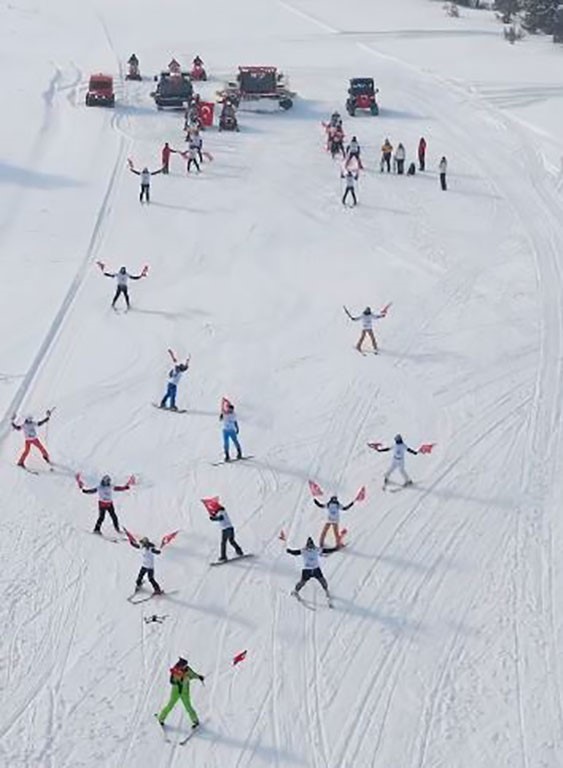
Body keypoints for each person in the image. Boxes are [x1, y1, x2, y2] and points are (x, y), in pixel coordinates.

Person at [157, 657, 204, 729]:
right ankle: (161, 719)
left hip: (185, 692)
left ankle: (195, 721)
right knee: (170, 705)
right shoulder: (175, 670)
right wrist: (177, 682)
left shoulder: (188, 670)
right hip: (175, 692)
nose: (185, 666)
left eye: (185, 665)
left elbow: (193, 674)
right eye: (183, 665)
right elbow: (171, 681)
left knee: (188, 707)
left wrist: (199, 677)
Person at [286, 537, 331, 604]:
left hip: (315, 569)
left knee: (322, 580)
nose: (310, 546)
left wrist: (335, 549)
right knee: (303, 582)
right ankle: (295, 591)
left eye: (311, 545)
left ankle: (326, 591)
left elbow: (326, 551)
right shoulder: (304, 550)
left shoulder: (316, 549)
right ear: (307, 545)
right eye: (309, 545)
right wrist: (289, 551)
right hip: (307, 570)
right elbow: (295, 552)